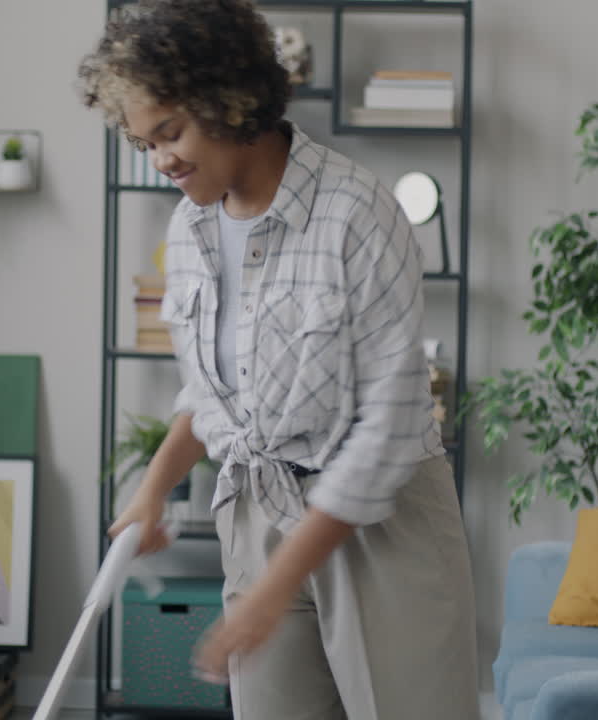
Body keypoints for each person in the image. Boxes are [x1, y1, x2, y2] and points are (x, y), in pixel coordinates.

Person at [78, 1, 478, 717]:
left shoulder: (358, 212)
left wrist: (276, 585)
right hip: (260, 515)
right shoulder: (191, 223)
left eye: (169, 132)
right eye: (143, 144)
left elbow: (386, 429)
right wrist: (153, 487)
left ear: (227, 100)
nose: (161, 159)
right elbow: (211, 394)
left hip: (383, 529)